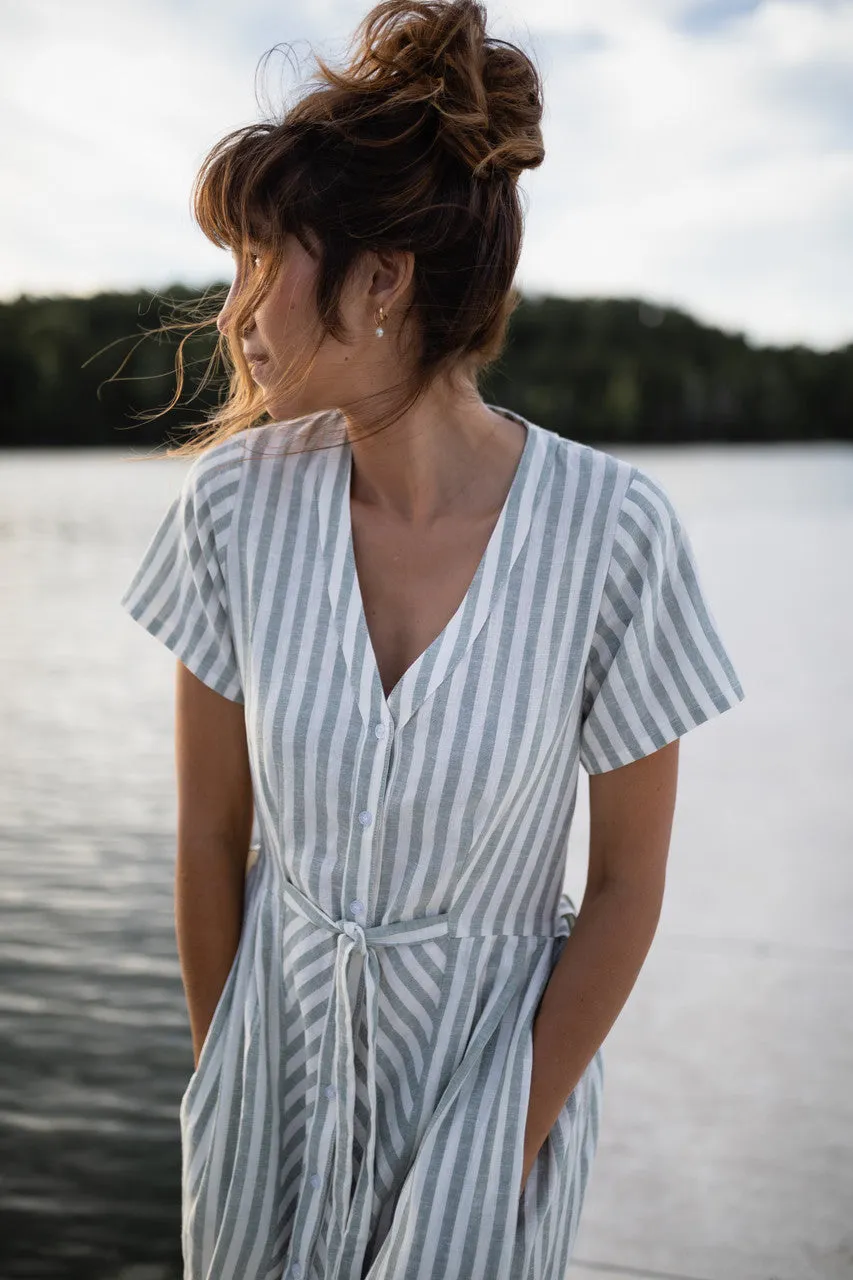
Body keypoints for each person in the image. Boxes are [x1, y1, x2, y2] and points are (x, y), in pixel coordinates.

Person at [119, 1, 746, 1276]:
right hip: (266, 1106)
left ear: (382, 278)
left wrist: (499, 1142)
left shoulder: (613, 534)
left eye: (261, 261)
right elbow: (205, 835)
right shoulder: (231, 510)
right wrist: (222, 1073)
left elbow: (624, 889)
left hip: (489, 1106)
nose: (237, 312)